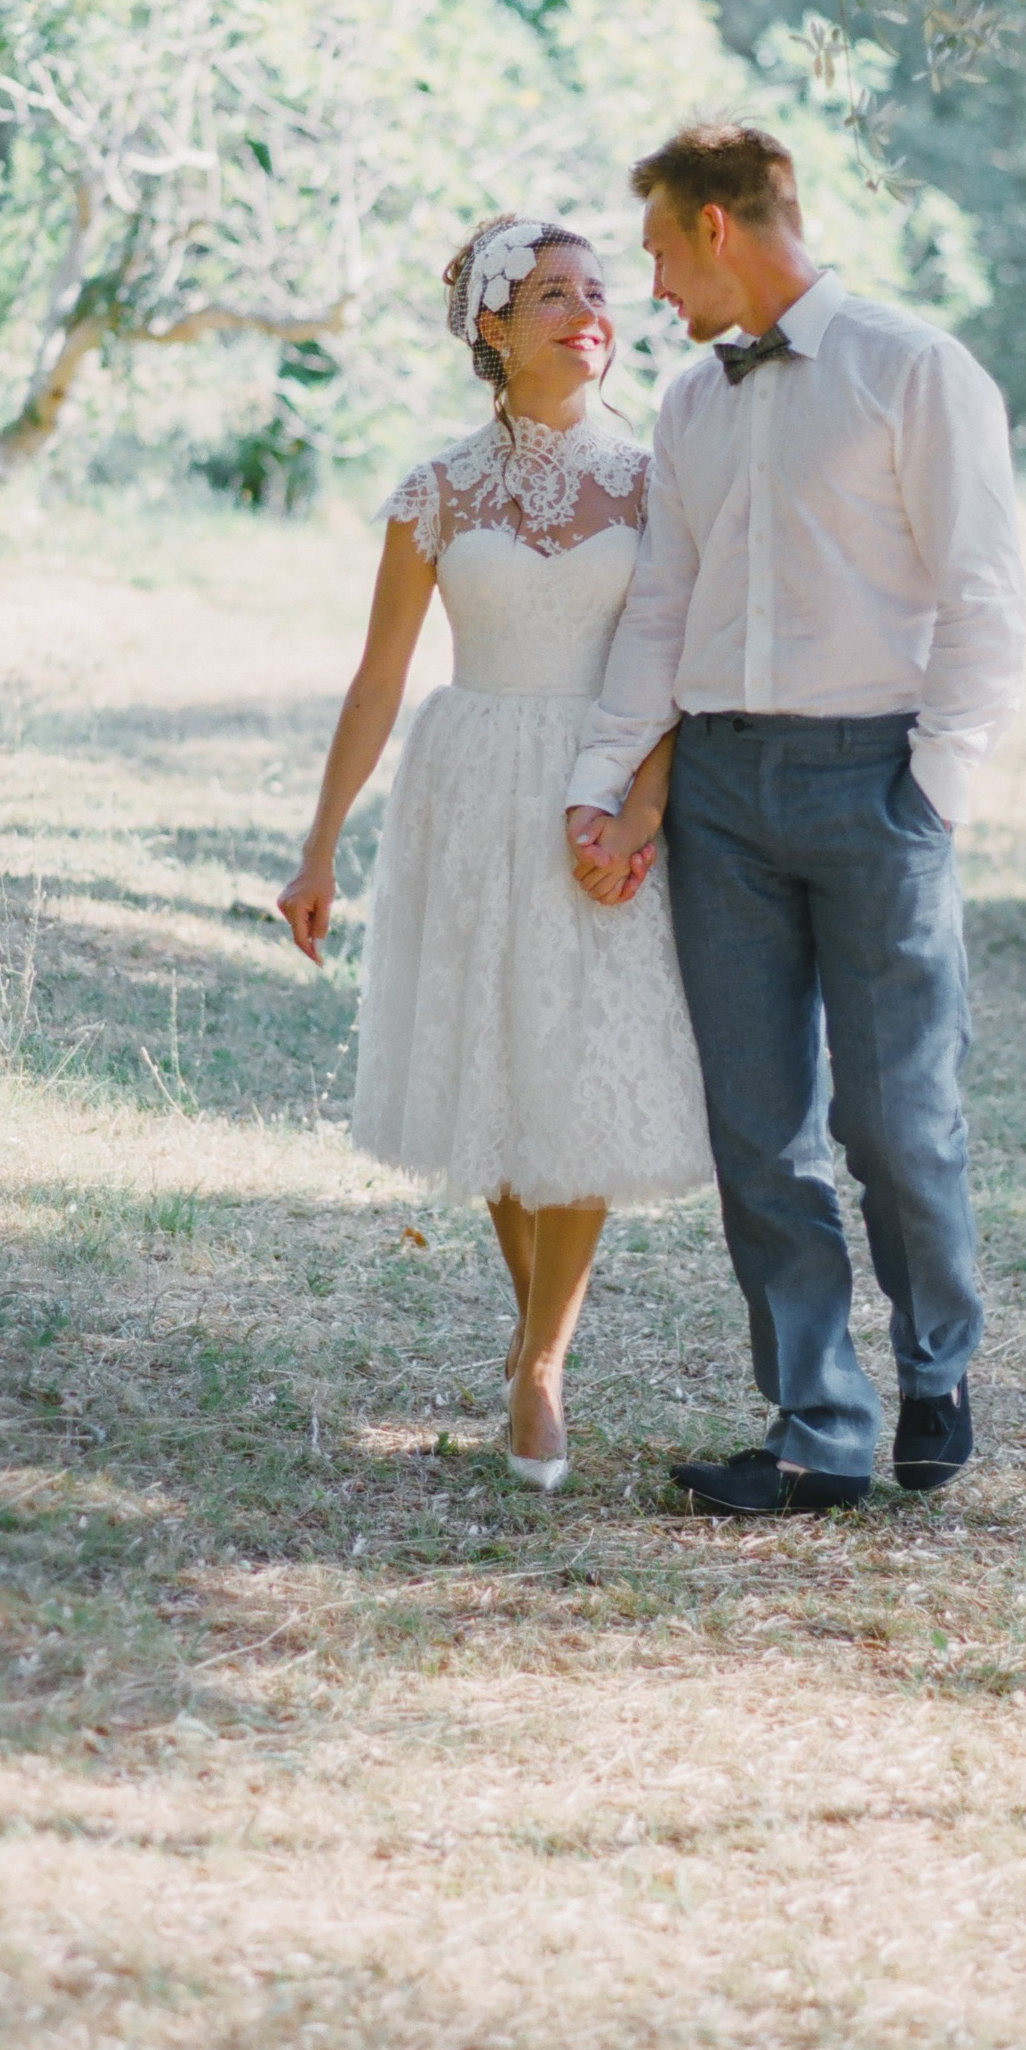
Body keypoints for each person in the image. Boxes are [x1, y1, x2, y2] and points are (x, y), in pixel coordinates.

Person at [565, 126, 1026, 1516]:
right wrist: (609, 779)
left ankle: (936, 1363)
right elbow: (661, 606)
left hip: (873, 781)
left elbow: (987, 594)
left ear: (718, 224)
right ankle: (816, 1424)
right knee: (759, 1128)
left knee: (896, 1118)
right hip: (720, 791)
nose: (648, 285)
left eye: (654, 250)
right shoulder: (692, 405)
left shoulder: (915, 370)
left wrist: (930, 786)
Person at [279, 215, 711, 1491]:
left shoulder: (651, 481)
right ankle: (537, 1335)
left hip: (600, 783)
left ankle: (538, 1371)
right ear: (493, 327)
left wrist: (639, 806)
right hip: (466, 789)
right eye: (555, 294)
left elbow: (681, 666)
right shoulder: (435, 492)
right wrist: (317, 853)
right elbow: (374, 684)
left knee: (578, 1067)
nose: (589, 311)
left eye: (599, 292)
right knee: (499, 1065)